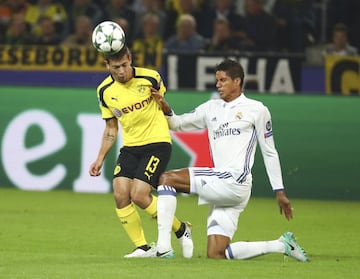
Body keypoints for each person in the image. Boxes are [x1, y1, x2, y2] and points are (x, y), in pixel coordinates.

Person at [152, 59, 309, 261]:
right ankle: (281, 245)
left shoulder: (257, 109)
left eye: (223, 80)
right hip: (222, 184)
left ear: (237, 81)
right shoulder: (211, 108)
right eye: (216, 80)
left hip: (236, 180)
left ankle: (164, 247)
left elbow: (270, 152)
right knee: (217, 253)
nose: (218, 84)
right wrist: (165, 108)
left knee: (166, 178)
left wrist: (279, 191)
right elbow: (178, 124)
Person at [89, 45, 193, 258]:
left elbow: (165, 107)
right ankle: (143, 246)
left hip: (157, 143)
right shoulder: (104, 91)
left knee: (139, 194)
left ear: (130, 59)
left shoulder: (151, 77)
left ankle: (181, 230)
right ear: (107, 65)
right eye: (115, 67)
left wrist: (163, 104)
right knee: (120, 194)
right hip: (130, 147)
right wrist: (100, 158)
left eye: (124, 65)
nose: (121, 71)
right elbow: (111, 128)